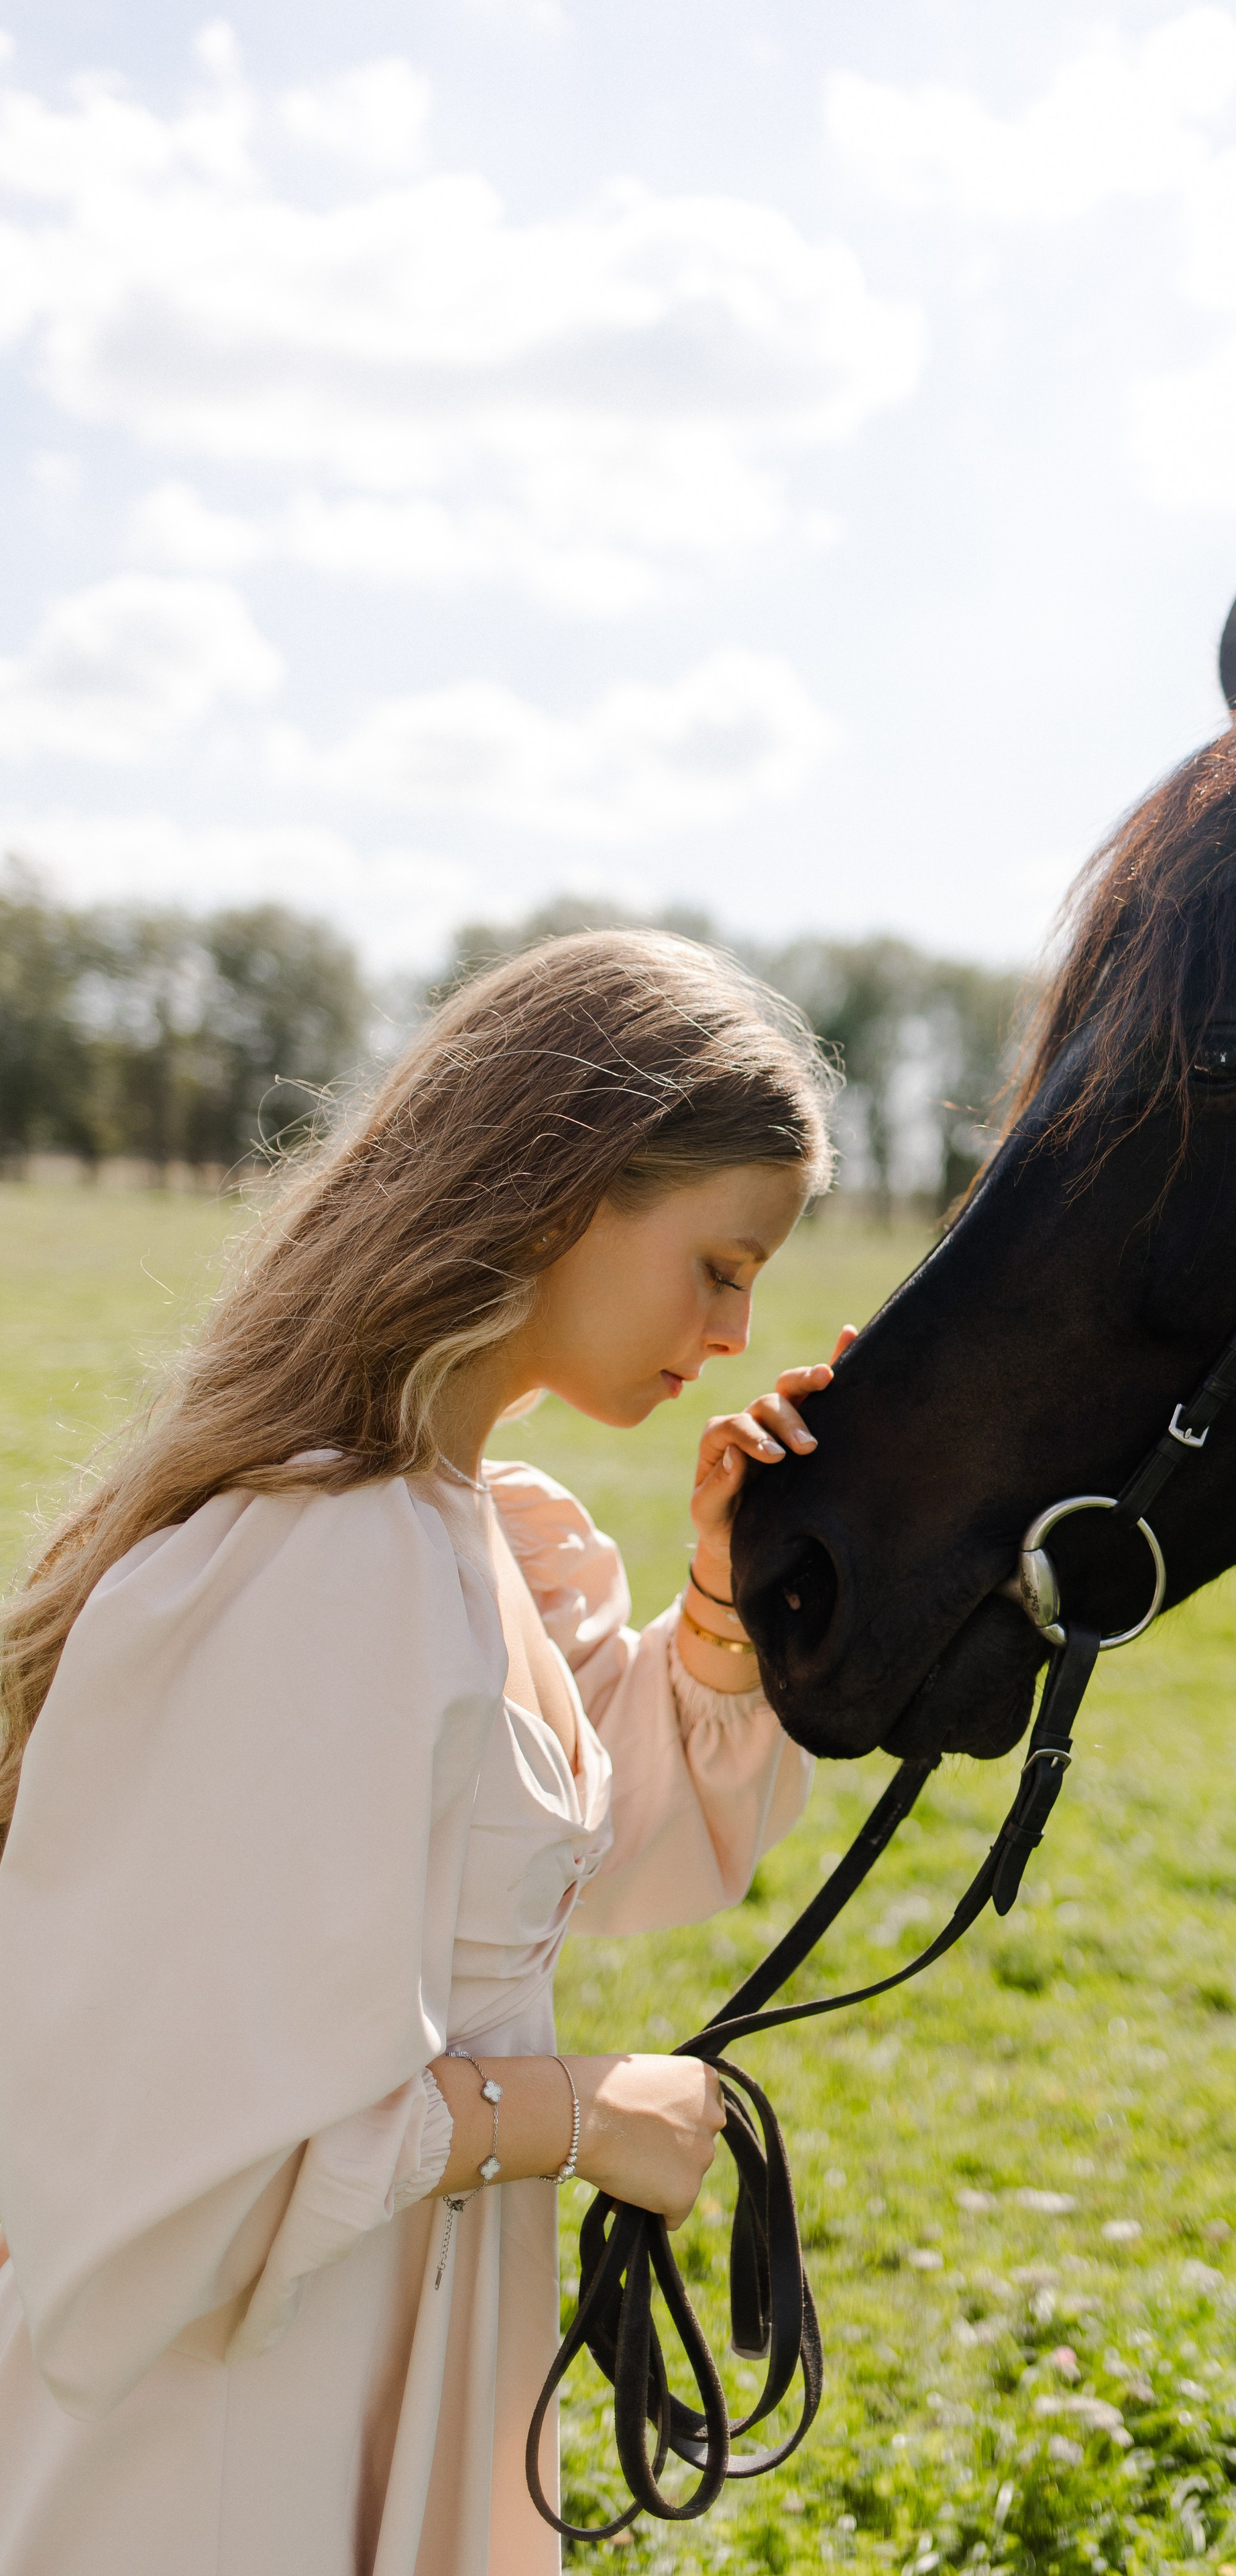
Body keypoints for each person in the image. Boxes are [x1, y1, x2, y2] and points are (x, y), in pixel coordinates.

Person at [0, 930, 847, 2575]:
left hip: (378, 2324)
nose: (736, 1330)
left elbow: (570, 1856)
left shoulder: (460, 1530)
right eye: (718, 1265)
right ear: (563, 1191)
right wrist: (575, 2116)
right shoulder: (325, 1563)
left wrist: (723, 1602)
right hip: (236, 2404)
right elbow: (209, 2144)